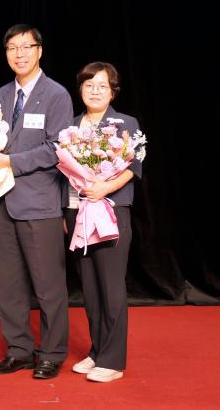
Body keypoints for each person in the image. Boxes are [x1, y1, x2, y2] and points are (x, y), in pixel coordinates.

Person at [0, 24, 74, 380]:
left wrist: (9, 162)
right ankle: (18, 350)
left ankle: (52, 352)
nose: (19, 54)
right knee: (8, 285)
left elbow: (56, 148)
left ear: (39, 51)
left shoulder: (56, 95)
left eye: (26, 47)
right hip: (1, 201)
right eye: (12, 48)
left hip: (40, 203)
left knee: (48, 286)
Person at [64, 61, 143, 383]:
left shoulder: (125, 123)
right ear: (80, 89)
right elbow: (63, 175)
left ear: (113, 92)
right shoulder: (70, 126)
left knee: (111, 287)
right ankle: (97, 351)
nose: (95, 91)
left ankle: (112, 361)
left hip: (110, 209)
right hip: (78, 212)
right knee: (91, 288)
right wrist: (65, 214)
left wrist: (104, 188)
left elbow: (133, 167)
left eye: (102, 86)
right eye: (89, 85)